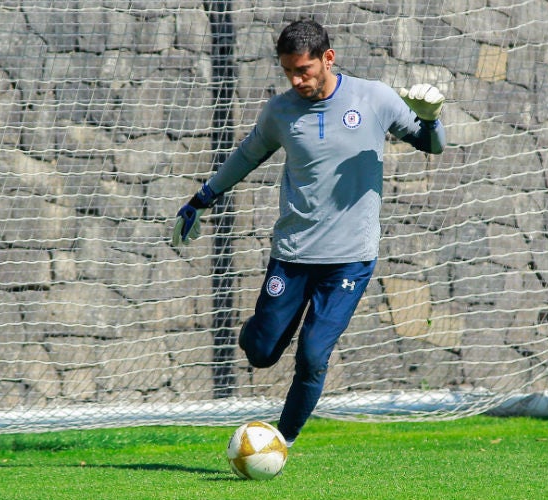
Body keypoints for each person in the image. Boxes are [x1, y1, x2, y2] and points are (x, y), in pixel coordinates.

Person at [172, 19, 446, 447]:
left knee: (313, 355)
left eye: (305, 70)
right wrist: (201, 199)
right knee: (261, 352)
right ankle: (261, 329)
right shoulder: (280, 111)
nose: (297, 80)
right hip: (293, 253)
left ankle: (280, 442)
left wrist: (430, 122)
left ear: (328, 58)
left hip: (349, 259)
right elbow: (247, 155)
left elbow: (433, 145)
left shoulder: (373, 98)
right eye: (289, 72)